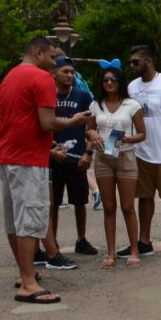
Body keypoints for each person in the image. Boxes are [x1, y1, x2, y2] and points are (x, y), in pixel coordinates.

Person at [0, 37, 93, 303]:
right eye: (52, 57)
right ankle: (27, 285)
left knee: (14, 219)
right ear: (38, 53)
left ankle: (25, 274)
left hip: (6, 157)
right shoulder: (41, 78)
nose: (54, 62)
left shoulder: (9, 77)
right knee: (31, 218)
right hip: (28, 159)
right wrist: (74, 119)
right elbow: (47, 123)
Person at [87, 63, 146, 269]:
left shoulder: (132, 105)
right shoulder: (96, 105)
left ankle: (134, 250)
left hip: (125, 158)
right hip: (103, 159)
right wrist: (92, 134)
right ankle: (111, 253)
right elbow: (90, 129)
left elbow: (142, 133)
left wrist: (128, 139)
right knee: (109, 207)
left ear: (120, 82)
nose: (109, 83)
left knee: (128, 207)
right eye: (105, 80)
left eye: (113, 79)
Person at [122, 45, 161, 259]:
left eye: (135, 61)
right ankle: (144, 241)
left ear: (149, 61)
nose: (132, 65)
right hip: (140, 151)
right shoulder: (132, 87)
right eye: (131, 62)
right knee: (144, 197)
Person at [48, 55, 97, 257]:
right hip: (53, 158)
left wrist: (88, 152)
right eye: (65, 71)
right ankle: (53, 242)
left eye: (71, 72)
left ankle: (81, 239)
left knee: (79, 201)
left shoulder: (82, 96)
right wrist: (51, 150)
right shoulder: (47, 95)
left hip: (77, 158)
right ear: (54, 73)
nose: (69, 75)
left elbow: (92, 126)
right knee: (53, 203)